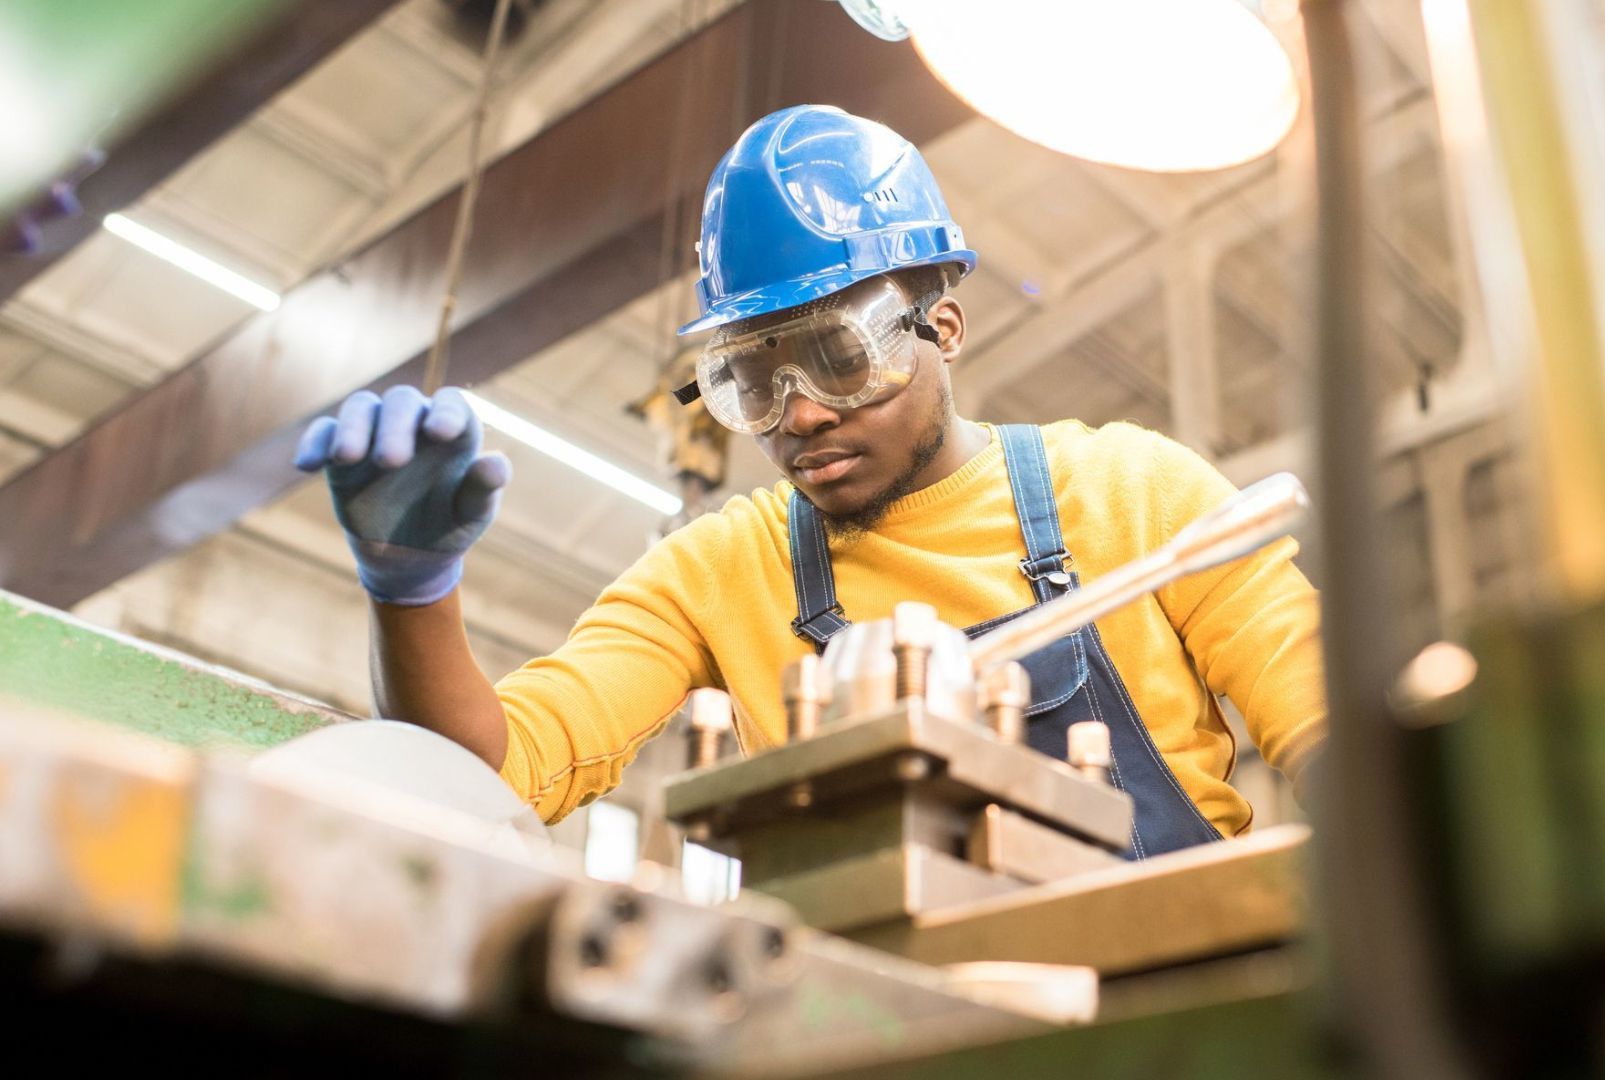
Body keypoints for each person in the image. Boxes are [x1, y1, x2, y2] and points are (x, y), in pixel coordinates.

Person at [295, 105, 1325, 857]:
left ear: (944, 326)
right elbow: (492, 773)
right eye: (748, 378)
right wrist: (414, 597)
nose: (798, 414)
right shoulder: (718, 572)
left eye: (839, 355)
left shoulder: (1140, 496)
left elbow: (1334, 739)